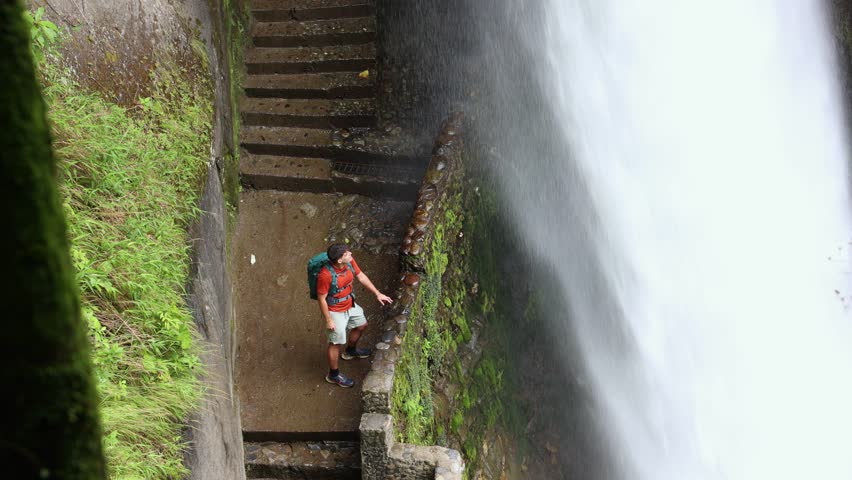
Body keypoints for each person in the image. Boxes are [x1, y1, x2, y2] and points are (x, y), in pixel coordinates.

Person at [317, 244, 393, 387]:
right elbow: (322, 299)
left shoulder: (350, 262)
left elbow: (361, 276)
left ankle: (350, 351)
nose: (350, 253)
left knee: (361, 325)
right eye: (346, 253)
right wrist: (328, 320)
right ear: (339, 260)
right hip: (335, 310)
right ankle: (333, 375)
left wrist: (377, 293)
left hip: (349, 303)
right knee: (335, 343)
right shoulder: (325, 275)